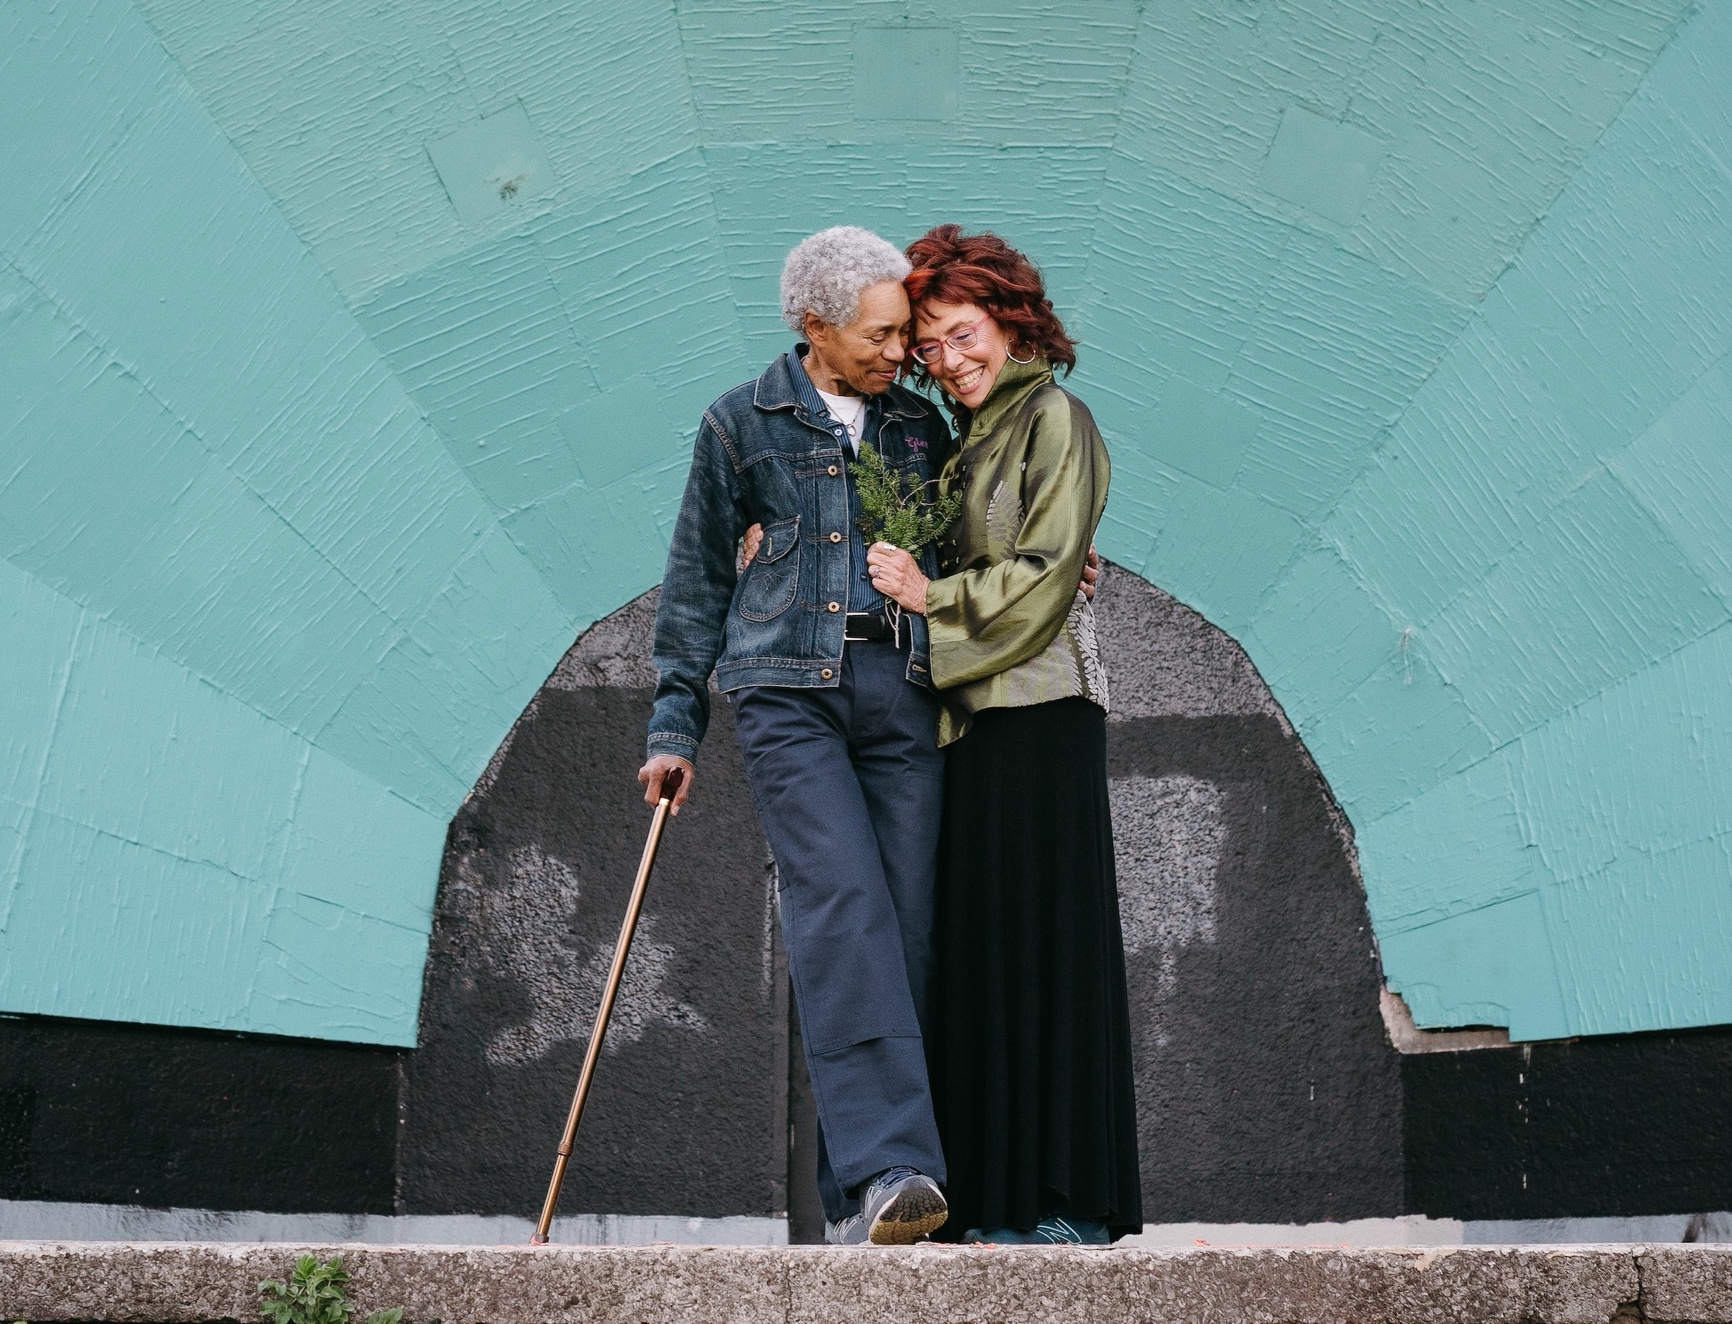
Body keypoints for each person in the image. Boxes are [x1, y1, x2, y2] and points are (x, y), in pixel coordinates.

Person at [639, 226, 953, 1245]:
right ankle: (896, 1164)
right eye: (880, 333)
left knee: (900, 928)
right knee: (842, 908)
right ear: (814, 325)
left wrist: (1048, 563)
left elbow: (967, 538)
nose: (899, 350)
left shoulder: (917, 424)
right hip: (786, 693)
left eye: (904, 330)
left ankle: (861, 1196)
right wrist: (673, 725)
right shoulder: (739, 423)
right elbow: (696, 584)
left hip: (898, 687)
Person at [864, 225, 1144, 1244]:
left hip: (1041, 714)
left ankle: (1063, 1201)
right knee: (986, 959)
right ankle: (993, 1201)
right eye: (928, 344)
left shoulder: (1056, 419)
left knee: (1046, 955)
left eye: (962, 331)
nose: (948, 359)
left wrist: (931, 594)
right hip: (971, 720)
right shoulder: (968, 435)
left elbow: (1040, 574)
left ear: (1012, 321)